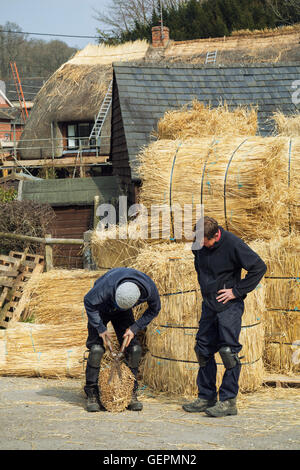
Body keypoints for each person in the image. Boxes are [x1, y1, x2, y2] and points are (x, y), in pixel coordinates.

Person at [182, 216, 267, 417]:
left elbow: (259, 267)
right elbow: (199, 266)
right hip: (209, 305)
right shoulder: (199, 244)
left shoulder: (232, 244)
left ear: (216, 235)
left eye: (205, 241)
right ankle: (206, 396)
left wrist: (236, 291)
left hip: (229, 306)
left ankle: (228, 401)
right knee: (202, 349)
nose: (200, 244)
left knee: (228, 352)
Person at [83, 267, 161, 412]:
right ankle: (91, 392)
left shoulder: (149, 289)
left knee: (135, 349)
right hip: (101, 308)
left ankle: (130, 391)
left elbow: (155, 309)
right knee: (96, 349)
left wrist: (135, 327)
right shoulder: (105, 287)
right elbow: (88, 301)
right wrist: (100, 328)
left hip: (123, 312)